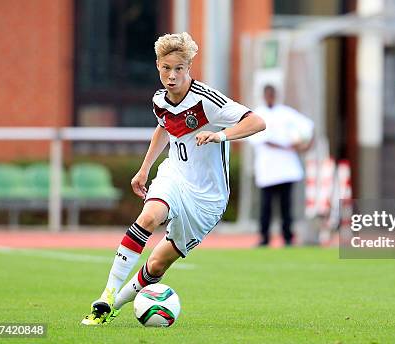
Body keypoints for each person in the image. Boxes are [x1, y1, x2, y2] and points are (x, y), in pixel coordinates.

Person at [81, 32, 265, 325]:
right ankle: (106, 297)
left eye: (178, 68)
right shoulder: (159, 100)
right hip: (174, 176)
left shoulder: (208, 100)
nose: (172, 75)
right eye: (166, 68)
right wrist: (144, 169)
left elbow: (257, 121)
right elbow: (164, 127)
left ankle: (116, 303)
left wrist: (220, 135)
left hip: (208, 199)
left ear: (189, 68)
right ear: (157, 66)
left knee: (156, 263)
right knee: (149, 217)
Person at [249, 85, 313, 247]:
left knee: (286, 206)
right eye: (267, 94)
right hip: (267, 169)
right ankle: (264, 237)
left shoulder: (286, 113)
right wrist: (284, 144)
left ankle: (287, 236)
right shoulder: (258, 114)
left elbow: (308, 128)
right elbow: (257, 138)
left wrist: (302, 144)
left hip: (286, 168)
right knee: (266, 207)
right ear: (264, 96)